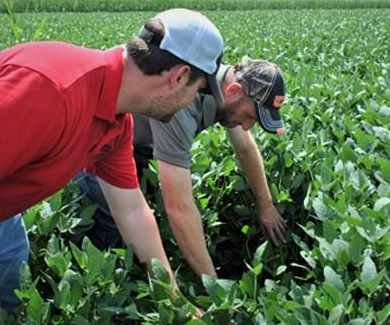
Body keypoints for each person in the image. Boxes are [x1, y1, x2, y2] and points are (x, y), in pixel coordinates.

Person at [0, 8, 223, 325]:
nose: (190, 103)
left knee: (6, 312)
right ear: (179, 77)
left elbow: (131, 212)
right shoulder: (52, 91)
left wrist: (174, 300)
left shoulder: (115, 120)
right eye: (196, 92)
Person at [79, 56, 288, 279]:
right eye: (249, 116)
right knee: (115, 224)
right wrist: (215, 290)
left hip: (135, 137)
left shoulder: (221, 82)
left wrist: (266, 206)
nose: (247, 126)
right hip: (93, 140)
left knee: (141, 208)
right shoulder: (183, 102)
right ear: (234, 91)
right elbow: (179, 207)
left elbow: (245, 148)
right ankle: (98, 281)